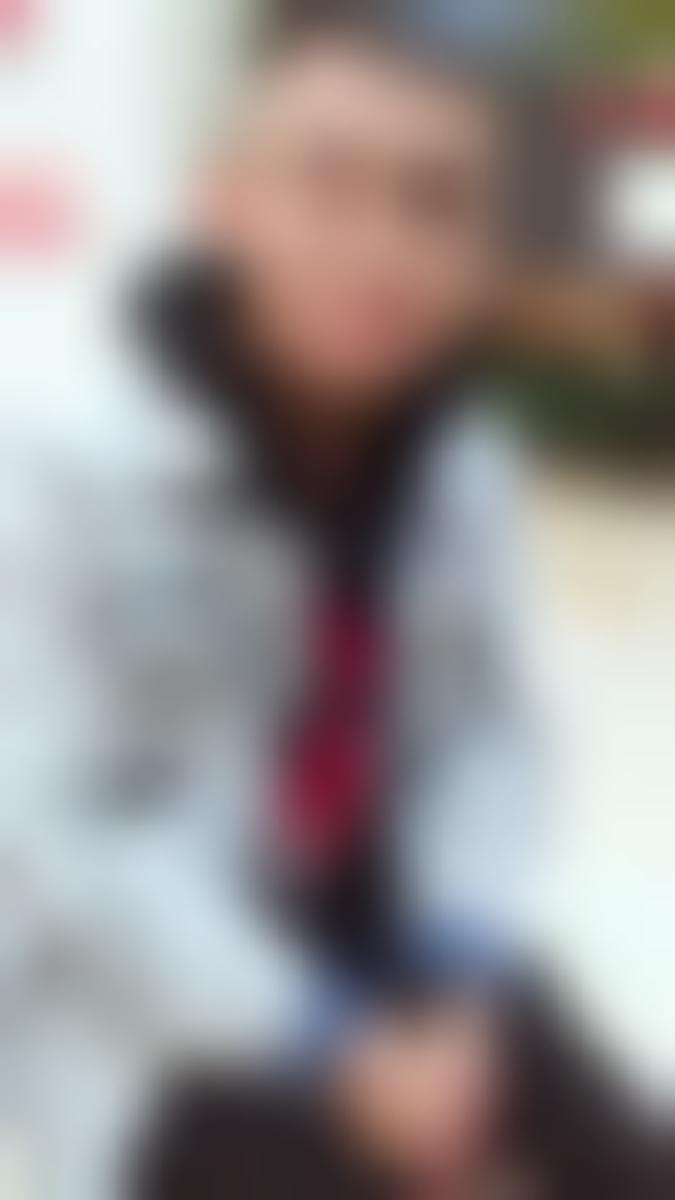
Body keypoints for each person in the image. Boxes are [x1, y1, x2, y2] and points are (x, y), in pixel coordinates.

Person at [3, 15, 664, 1200]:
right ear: (227, 205)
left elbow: (486, 732)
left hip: (405, 947)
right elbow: (67, 835)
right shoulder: (66, 468)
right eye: (328, 181)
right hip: (157, 1013)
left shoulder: (462, 467)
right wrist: (326, 1042)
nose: (381, 245)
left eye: (432, 201)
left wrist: (461, 970)